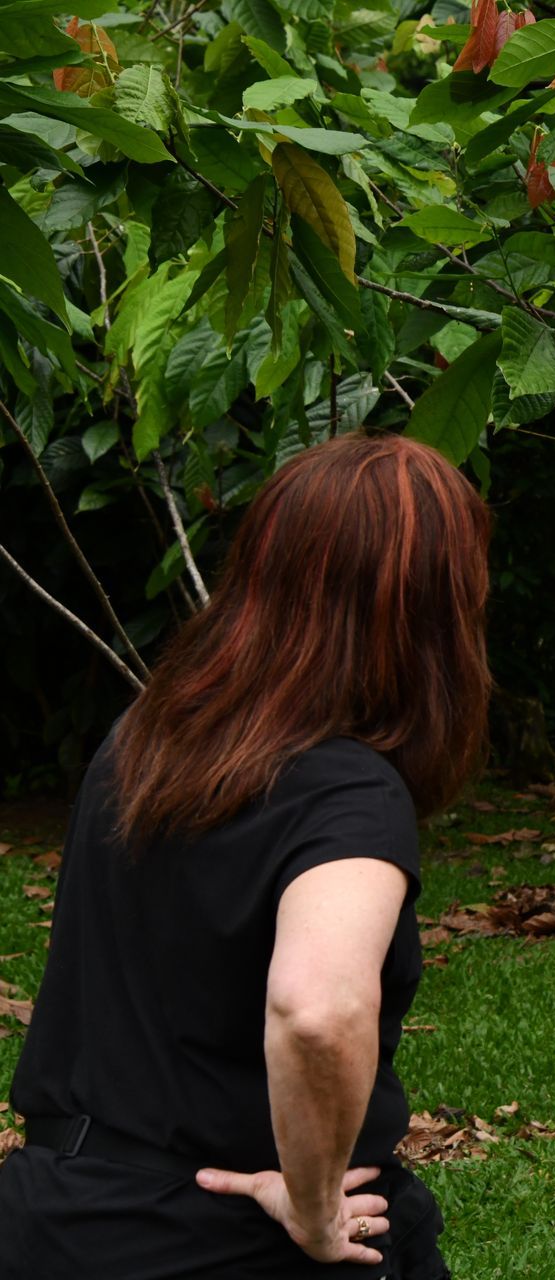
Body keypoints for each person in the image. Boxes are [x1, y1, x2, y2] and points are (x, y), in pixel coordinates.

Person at [0, 433, 490, 1279]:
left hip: (56, 1219)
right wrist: (313, 1204)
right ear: (429, 614)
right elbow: (317, 1012)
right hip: (225, 1240)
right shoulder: (350, 793)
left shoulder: (143, 741)